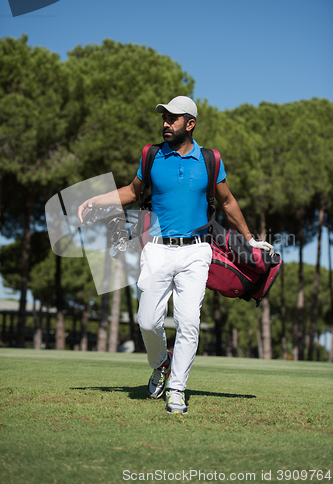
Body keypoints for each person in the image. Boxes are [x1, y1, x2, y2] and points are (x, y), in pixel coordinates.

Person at [78, 96, 273, 415]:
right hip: (155, 248)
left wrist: (250, 240)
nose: (166, 123)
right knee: (147, 319)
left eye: (173, 118)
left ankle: (177, 388)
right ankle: (160, 365)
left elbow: (227, 203)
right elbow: (132, 191)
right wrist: (99, 199)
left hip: (197, 250)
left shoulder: (211, 160)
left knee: (188, 321)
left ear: (190, 124)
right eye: (164, 118)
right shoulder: (151, 154)